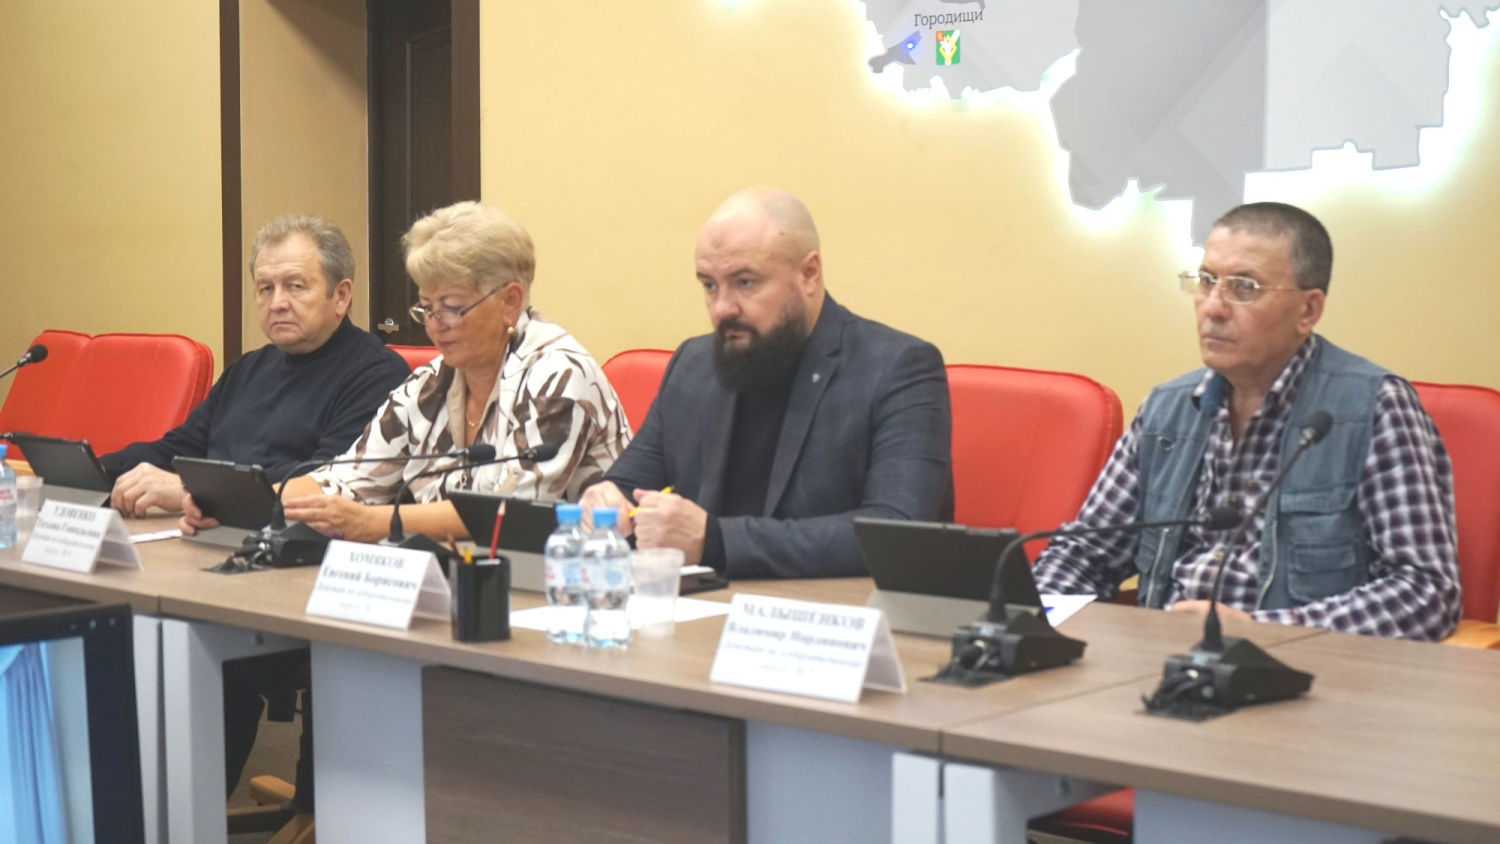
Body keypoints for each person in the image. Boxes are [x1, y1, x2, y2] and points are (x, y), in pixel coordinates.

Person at [1032, 202, 1460, 640]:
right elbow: (1082, 555)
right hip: (1161, 660)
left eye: (1244, 287)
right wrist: (1027, 625)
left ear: (1308, 310)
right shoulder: (1167, 411)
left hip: (1301, 668)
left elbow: (1426, 592)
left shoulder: (1374, 409)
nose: (1213, 308)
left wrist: (1262, 631)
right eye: (1206, 281)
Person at [581, 187, 952, 579]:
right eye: (709, 285)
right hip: (702, 607)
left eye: (745, 282)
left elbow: (897, 531)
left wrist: (716, 540)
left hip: (831, 609)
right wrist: (605, 501)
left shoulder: (898, 368)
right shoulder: (694, 365)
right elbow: (627, 486)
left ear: (809, 273)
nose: (722, 308)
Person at [278, 200, 630, 537]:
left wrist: (377, 522)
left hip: (577, 567)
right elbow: (348, 480)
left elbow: (507, 512)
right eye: (426, 307)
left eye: (452, 307)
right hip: (461, 565)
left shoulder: (559, 376)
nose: (434, 325)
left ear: (509, 301)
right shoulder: (430, 384)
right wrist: (265, 500)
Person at [102, 214, 410, 519]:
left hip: (298, 536)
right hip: (209, 526)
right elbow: (178, 450)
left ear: (341, 296)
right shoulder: (247, 368)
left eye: (295, 286)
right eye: (265, 288)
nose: (277, 303)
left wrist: (193, 491)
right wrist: (96, 471)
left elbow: (326, 479)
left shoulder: (378, 376)